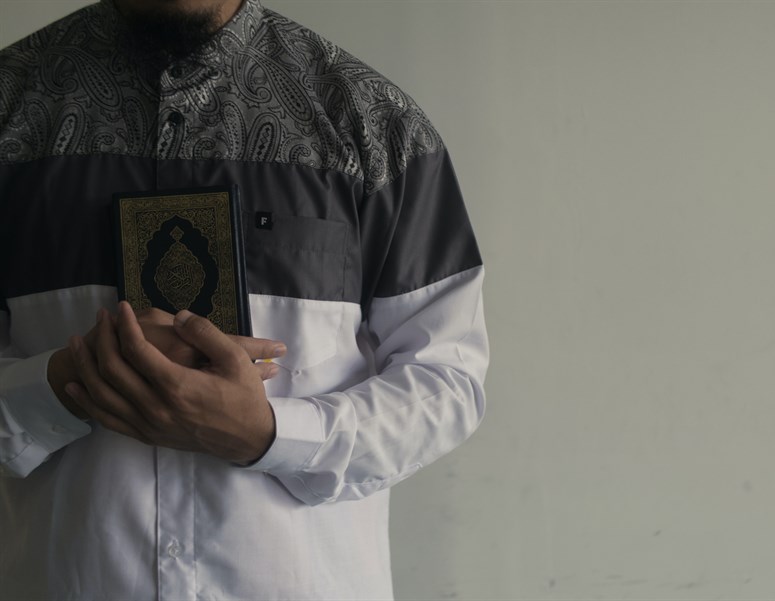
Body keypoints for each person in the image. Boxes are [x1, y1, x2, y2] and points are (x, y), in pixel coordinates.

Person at [0, 0, 489, 598]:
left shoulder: (375, 124)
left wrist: (273, 434)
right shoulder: (9, 107)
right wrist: (67, 384)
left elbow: (447, 380)